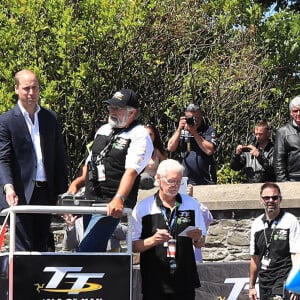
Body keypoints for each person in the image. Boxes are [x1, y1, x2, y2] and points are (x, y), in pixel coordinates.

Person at [77, 88, 153, 252]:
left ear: (132, 112)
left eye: (117, 108)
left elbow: (132, 171)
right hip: (91, 199)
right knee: (92, 250)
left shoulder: (139, 134)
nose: (112, 111)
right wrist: (75, 184)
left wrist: (119, 198)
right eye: (110, 107)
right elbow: (90, 161)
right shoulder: (104, 129)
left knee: (86, 250)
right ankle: (98, 276)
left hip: (111, 203)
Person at [0, 69, 68, 251]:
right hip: (20, 192)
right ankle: (23, 280)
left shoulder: (50, 118)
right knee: (23, 247)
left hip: (45, 191)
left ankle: (38, 281)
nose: (31, 93)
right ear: (16, 89)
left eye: (35, 88)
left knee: (42, 245)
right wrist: (8, 187)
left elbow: (59, 158)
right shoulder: (6, 121)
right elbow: (3, 158)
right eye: (26, 88)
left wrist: (63, 193)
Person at [132, 159, 206, 300]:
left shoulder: (191, 204)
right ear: (159, 179)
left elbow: (201, 243)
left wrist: (197, 238)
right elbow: (133, 246)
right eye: (172, 181)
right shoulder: (144, 207)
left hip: (184, 280)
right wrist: (153, 240)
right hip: (155, 282)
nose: (176, 186)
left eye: (179, 182)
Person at [249, 182, 300, 300]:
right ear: (261, 200)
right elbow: (255, 259)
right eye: (266, 198)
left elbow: (296, 255)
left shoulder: (290, 221)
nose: (270, 200)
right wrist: (251, 286)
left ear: (280, 199)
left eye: (274, 197)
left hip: (284, 280)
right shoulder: (257, 224)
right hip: (264, 282)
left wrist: (297, 286)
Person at [167, 103, 217, 185]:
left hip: (206, 179)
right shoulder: (181, 131)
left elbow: (209, 150)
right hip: (186, 179)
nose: (194, 121)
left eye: (197, 118)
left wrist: (194, 133)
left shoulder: (208, 130)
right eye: (191, 118)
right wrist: (179, 129)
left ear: (201, 117)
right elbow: (170, 148)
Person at [62, 213, 127, 252]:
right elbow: (67, 247)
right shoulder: (77, 222)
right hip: (86, 263)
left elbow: (129, 233)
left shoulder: (106, 222)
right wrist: (71, 226)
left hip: (109, 262)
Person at [274, 96, 300, 182]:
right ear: (291, 113)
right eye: (295, 111)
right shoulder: (283, 132)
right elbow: (278, 160)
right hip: (293, 178)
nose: (298, 114)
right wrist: (283, 182)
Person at [139, 124, 167, 189]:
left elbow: (165, 169)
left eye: (150, 134)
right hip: (135, 180)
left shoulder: (158, 151)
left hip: (152, 181)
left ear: (155, 136)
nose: (147, 137)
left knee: (145, 178)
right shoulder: (134, 150)